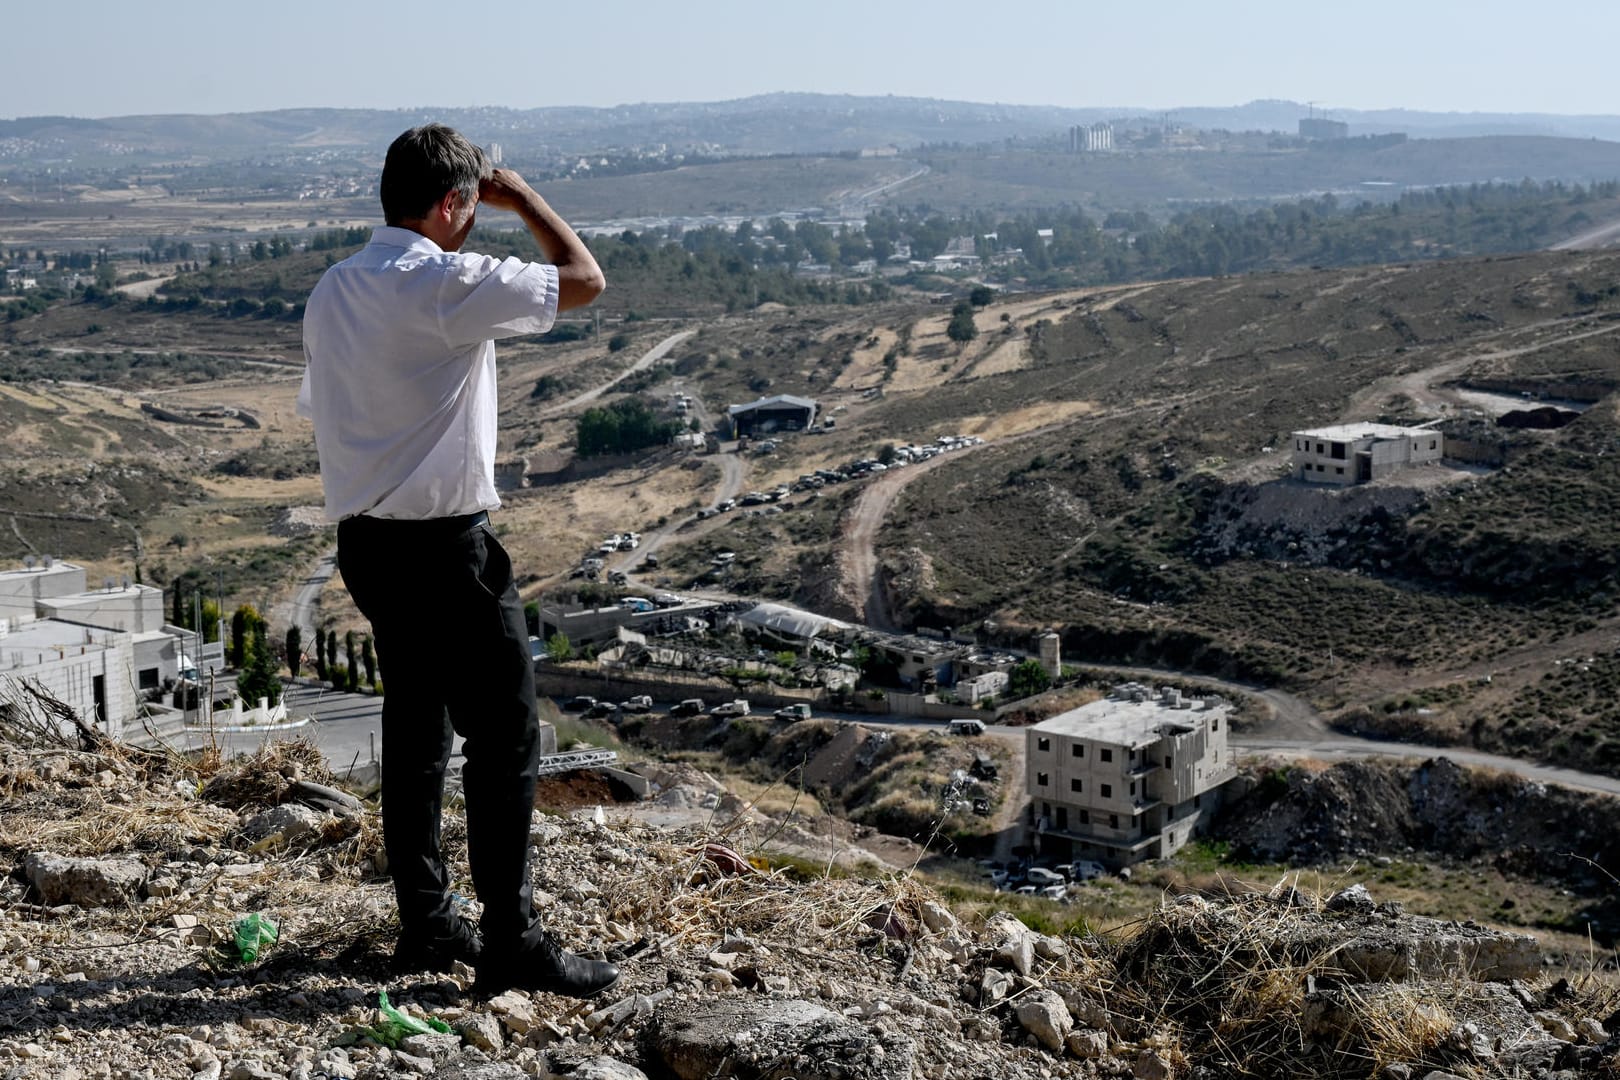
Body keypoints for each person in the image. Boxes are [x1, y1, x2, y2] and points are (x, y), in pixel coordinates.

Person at [297, 123, 617, 998]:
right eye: (471, 207)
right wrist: (526, 202)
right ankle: (511, 940)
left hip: (366, 544)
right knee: (505, 736)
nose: (476, 221)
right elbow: (585, 279)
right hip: (445, 548)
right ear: (451, 206)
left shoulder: (333, 288)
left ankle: (429, 927)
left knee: (417, 731)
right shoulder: (443, 282)